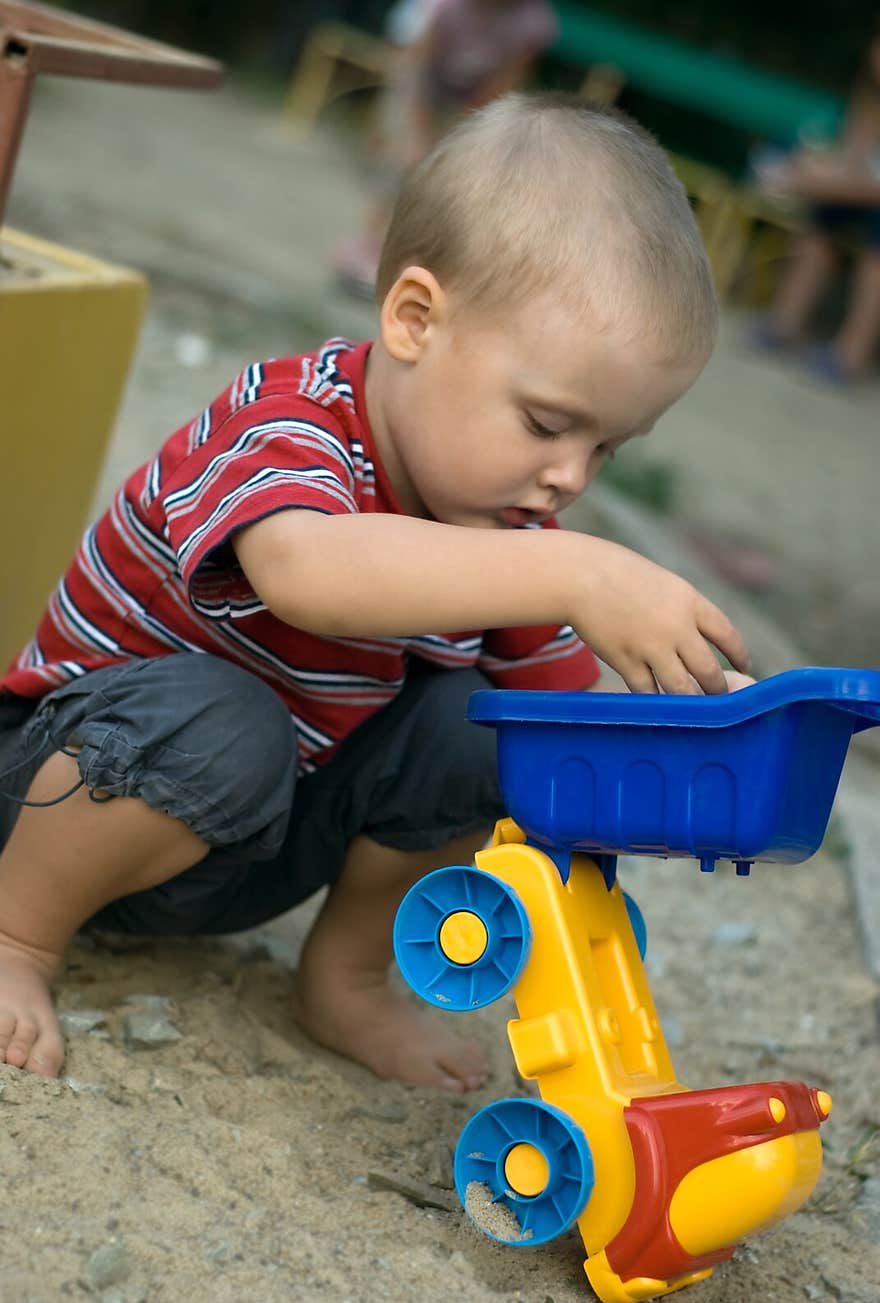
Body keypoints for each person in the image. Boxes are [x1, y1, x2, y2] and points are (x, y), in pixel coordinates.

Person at [0, 92, 751, 1096]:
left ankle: (346, 975)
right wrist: (580, 569)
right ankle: (16, 936)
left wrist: (695, 765)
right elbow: (306, 573)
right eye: (544, 423)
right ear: (413, 320)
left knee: (489, 730)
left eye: (604, 447)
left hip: (244, 845)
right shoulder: (286, 425)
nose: (570, 477)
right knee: (230, 723)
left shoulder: (508, 533)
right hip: (62, 797)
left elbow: (554, 730)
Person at [332, 0, 558, 298]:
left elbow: (505, 81)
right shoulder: (446, 7)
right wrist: (417, 134)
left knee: (453, 176)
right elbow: (415, 69)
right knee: (402, 163)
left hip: (471, 97)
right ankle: (369, 246)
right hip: (419, 84)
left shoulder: (535, 22)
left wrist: (461, 135)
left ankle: (419, 260)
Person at [750, 18, 880, 383]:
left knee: (876, 250)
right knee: (823, 219)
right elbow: (856, 162)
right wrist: (816, 173)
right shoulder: (869, 97)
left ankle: (849, 355)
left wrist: (803, 181)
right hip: (867, 194)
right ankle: (784, 324)